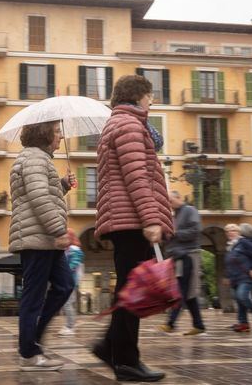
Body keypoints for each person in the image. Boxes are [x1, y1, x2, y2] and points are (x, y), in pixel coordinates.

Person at [92, 74, 174, 383]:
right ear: (138, 95)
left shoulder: (121, 123)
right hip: (132, 220)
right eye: (150, 96)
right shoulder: (128, 126)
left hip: (124, 218)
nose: (152, 102)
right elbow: (136, 176)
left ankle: (109, 345)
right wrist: (151, 219)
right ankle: (126, 360)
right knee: (133, 291)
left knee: (130, 288)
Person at [9, 120, 75, 371]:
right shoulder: (35, 159)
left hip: (45, 239)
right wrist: (58, 230)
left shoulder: (38, 159)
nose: (60, 137)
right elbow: (38, 198)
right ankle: (28, 353)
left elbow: (41, 192)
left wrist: (63, 185)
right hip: (38, 239)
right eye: (57, 132)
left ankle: (32, 339)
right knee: (33, 297)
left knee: (65, 285)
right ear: (45, 134)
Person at [157, 191, 206, 336]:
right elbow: (172, 236)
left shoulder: (190, 210)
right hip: (178, 256)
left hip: (188, 255)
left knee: (180, 290)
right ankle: (199, 325)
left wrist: (173, 232)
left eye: (171, 201)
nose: (170, 205)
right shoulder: (174, 216)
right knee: (189, 293)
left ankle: (170, 323)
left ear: (179, 198)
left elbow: (195, 231)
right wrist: (164, 235)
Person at [225, 224, 252, 332]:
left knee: (242, 296)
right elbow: (230, 263)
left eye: (232, 230)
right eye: (228, 231)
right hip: (235, 278)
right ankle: (243, 323)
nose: (230, 232)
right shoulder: (230, 246)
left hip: (245, 276)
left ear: (238, 232)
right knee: (239, 300)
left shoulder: (243, 242)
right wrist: (228, 277)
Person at [59, 229, 84, 336]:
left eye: (65, 236)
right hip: (67, 280)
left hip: (70, 281)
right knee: (67, 303)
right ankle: (69, 325)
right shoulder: (68, 250)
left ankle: (70, 327)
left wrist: (64, 271)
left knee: (68, 303)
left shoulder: (75, 250)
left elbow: (73, 265)